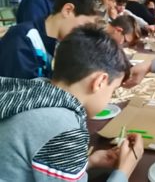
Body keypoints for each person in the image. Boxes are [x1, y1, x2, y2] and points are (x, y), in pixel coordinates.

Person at [0, 25, 144, 181]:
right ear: (100, 81)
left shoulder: (33, 92)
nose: (111, 97)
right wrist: (124, 170)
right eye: (113, 90)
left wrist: (87, 162)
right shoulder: (61, 125)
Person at [0, 0, 104, 79]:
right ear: (68, 10)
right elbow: (23, 94)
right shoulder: (22, 40)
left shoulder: (54, 43)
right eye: (87, 26)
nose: (85, 34)